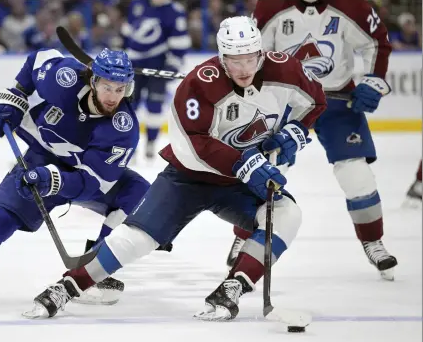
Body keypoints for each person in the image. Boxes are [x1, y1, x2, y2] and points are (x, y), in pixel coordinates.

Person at [21, 16, 327, 321]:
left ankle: (234, 286)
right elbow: (194, 143)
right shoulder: (197, 85)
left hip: (239, 182)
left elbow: (316, 101)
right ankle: (68, 287)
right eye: (235, 61)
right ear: (222, 57)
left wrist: (296, 131)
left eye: (250, 59)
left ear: (260, 53)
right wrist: (246, 162)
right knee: (136, 239)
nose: (244, 69)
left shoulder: (285, 69)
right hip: (187, 178)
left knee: (288, 214)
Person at [0, 47, 151, 309]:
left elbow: (91, 185)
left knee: (139, 195)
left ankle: (92, 273)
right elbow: (36, 60)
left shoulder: (122, 130)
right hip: (41, 157)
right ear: (93, 80)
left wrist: (54, 180)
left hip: (78, 176)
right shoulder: (64, 78)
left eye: (120, 89)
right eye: (107, 87)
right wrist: (15, 94)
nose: (113, 97)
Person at [228, 0, 398, 281]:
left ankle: (373, 240)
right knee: (265, 171)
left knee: (356, 173)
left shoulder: (352, 5)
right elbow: (252, 52)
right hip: (285, 100)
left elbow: (377, 42)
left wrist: (373, 80)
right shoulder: (271, 6)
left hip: (337, 102)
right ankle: (244, 236)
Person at [121, 0, 191, 159]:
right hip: (133, 66)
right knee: (129, 106)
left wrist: (173, 64)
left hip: (158, 67)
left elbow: (180, 42)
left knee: (154, 105)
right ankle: (129, 143)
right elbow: (127, 32)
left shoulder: (174, 11)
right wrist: (120, 53)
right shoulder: (138, 4)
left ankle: (151, 142)